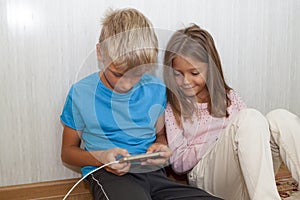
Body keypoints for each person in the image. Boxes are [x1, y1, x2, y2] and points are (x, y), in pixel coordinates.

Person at [60, 9, 222, 200]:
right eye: (118, 74)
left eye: (137, 74)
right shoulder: (80, 93)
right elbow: (68, 152)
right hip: (107, 174)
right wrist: (101, 157)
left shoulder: (156, 89)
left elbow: (160, 136)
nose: (127, 84)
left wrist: (160, 147)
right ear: (100, 53)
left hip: (153, 174)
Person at [163, 24, 300, 200]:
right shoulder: (173, 107)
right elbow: (179, 164)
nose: (186, 81)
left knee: (280, 117)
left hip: (244, 177)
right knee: (248, 118)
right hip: (206, 177)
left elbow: (251, 134)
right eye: (178, 74)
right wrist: (220, 139)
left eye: (194, 73)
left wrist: (233, 136)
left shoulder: (229, 97)